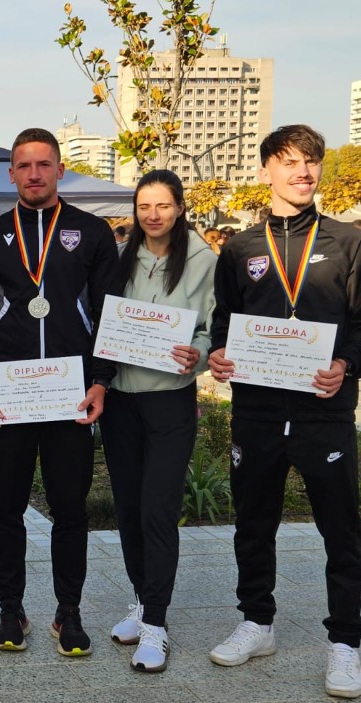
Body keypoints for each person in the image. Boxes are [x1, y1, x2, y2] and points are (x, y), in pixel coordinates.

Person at [205, 125, 361, 699]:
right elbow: (224, 320)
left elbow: (360, 322)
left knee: (340, 529)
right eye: (290, 161)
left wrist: (346, 362)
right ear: (266, 170)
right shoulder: (240, 248)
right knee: (253, 523)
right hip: (258, 412)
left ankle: (346, 641)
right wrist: (219, 354)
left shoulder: (348, 241)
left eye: (311, 161)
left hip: (324, 411)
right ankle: (258, 623)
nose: (303, 171)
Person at [0, 127, 117, 657]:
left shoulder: (92, 232)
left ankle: (68, 611)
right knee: (5, 509)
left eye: (44, 164)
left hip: (71, 396)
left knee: (70, 510)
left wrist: (100, 381)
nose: (34, 174)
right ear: (11, 173)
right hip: (10, 396)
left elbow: (108, 315)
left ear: (59, 170)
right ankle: (11, 609)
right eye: (24, 166)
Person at [100, 170, 217, 673]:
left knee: (157, 510)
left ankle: (156, 625)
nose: (153, 215)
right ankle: (143, 602)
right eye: (144, 206)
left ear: (180, 208)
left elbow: (214, 328)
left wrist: (199, 354)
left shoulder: (203, 260)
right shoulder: (120, 256)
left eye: (164, 205)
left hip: (170, 399)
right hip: (121, 400)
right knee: (128, 509)